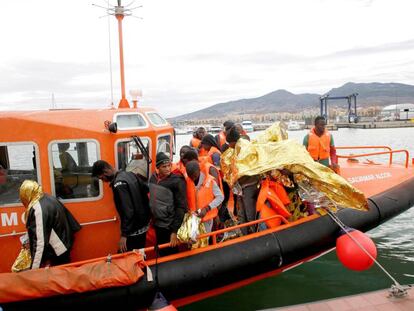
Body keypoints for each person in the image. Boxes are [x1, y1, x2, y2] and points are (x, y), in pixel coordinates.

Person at [19, 180, 81, 269]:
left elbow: (40, 242)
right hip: (64, 243)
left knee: (58, 275)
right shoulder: (46, 197)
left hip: (57, 248)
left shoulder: (38, 209)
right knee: (64, 271)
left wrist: (34, 269)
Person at [92, 160, 150, 252]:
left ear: (106, 172)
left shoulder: (118, 184)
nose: (103, 181)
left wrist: (124, 235)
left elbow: (128, 211)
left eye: (102, 178)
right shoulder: (130, 174)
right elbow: (146, 189)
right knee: (139, 255)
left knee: (129, 258)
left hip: (133, 230)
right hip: (143, 225)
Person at [149, 152, 188, 256]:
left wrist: (174, 231)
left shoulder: (177, 181)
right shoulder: (152, 178)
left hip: (169, 226)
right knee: (161, 252)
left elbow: (181, 207)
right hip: (158, 225)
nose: (167, 169)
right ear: (158, 168)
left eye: (169, 166)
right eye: (164, 166)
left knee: (171, 253)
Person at [226, 126, 260, 235]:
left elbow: (242, 167)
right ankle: (244, 233)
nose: (228, 146)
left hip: (249, 185)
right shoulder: (237, 148)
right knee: (241, 212)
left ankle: (253, 234)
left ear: (233, 141)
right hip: (241, 187)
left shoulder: (243, 149)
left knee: (249, 211)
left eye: (229, 143)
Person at [185, 161, 224, 233]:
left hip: (206, 220)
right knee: (194, 243)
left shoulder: (210, 181)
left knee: (205, 242)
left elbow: (220, 197)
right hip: (193, 220)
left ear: (199, 170)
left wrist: (207, 208)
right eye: (190, 176)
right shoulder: (187, 181)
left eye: (195, 176)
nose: (193, 178)